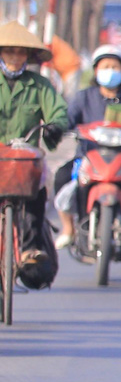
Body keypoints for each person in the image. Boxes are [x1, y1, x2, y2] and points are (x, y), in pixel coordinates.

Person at [53, 45, 121, 252]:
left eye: (115, 67)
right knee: (61, 176)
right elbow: (69, 119)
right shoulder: (84, 97)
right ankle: (68, 228)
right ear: (96, 70)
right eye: (106, 66)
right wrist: (59, 127)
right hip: (88, 157)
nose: (110, 71)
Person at [0, 21, 71, 284]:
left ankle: (30, 247)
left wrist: (55, 127)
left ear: (28, 57)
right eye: (9, 52)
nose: (15, 58)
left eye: (20, 53)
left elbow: (58, 113)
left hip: (24, 161)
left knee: (37, 192)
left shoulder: (40, 85)